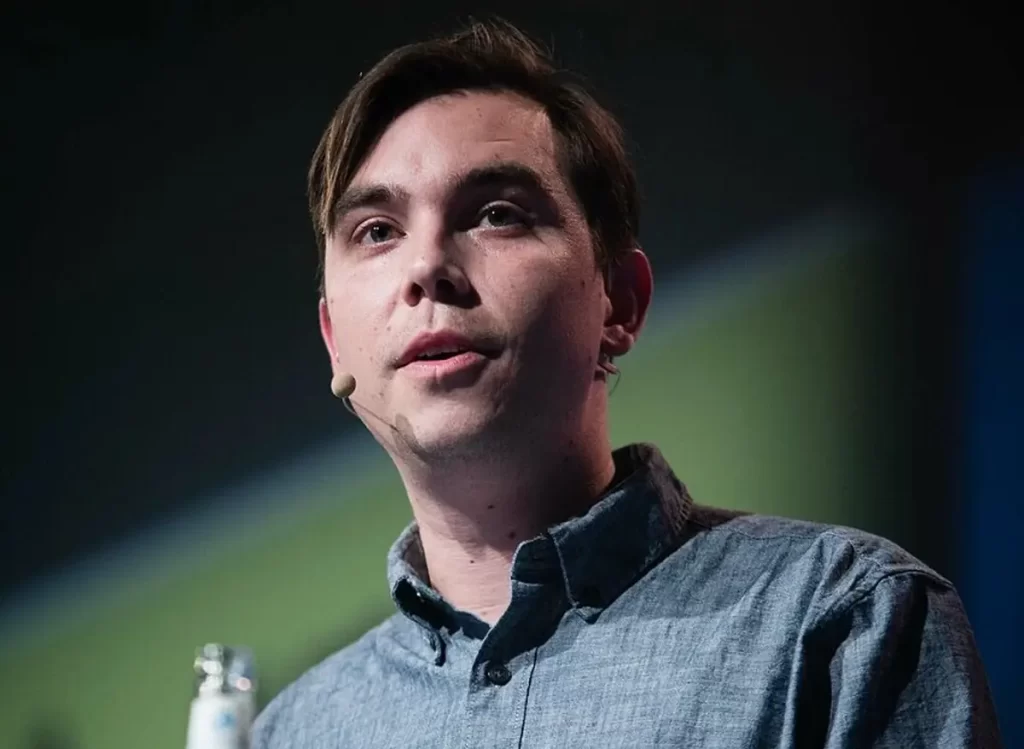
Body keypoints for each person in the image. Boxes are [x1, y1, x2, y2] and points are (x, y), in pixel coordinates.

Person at [253, 18, 1002, 749]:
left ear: (620, 303)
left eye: (494, 214)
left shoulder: (841, 623)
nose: (426, 268)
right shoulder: (291, 732)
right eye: (377, 231)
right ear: (333, 341)